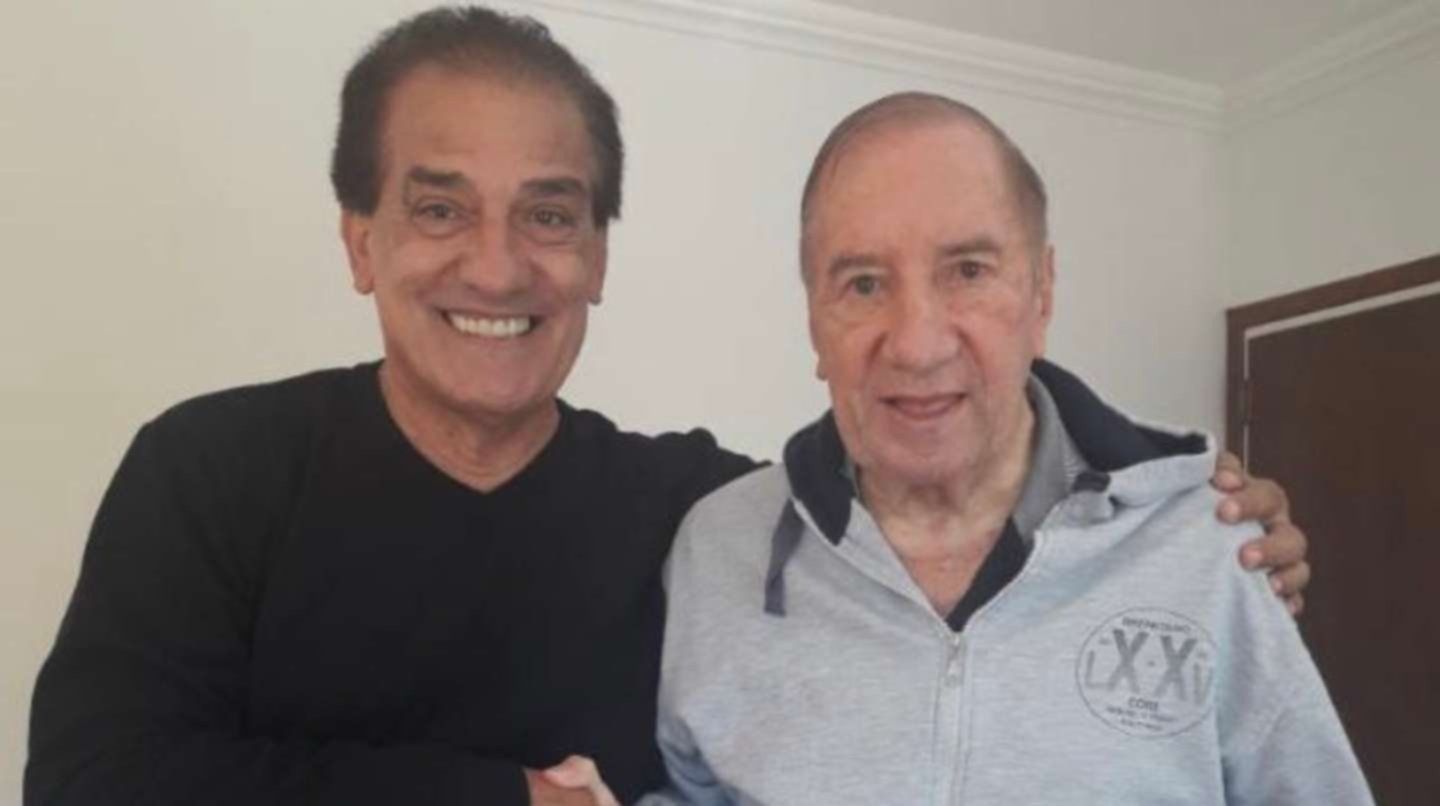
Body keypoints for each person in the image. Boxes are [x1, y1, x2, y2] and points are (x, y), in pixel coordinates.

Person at [26, 8, 1308, 806]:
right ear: (361, 239)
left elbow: (918, 484)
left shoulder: (698, 512)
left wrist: (1177, 512)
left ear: (597, 254)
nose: (497, 266)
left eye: (550, 213)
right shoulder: (212, 470)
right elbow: (91, 781)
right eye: (439, 207)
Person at [647, 93, 1370, 805]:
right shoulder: (720, 550)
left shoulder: (1205, 546)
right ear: (814, 322)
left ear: (1041, 295)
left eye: (967, 271)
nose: (918, 345)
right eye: (863, 284)